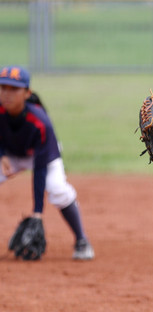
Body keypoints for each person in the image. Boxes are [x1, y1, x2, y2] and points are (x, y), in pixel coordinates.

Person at [0, 65, 94, 260]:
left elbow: (40, 169)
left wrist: (37, 212)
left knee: (58, 188)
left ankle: (81, 240)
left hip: (43, 155)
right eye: (3, 88)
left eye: (14, 89)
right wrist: (2, 154)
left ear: (27, 93)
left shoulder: (40, 122)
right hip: (11, 154)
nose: (7, 94)